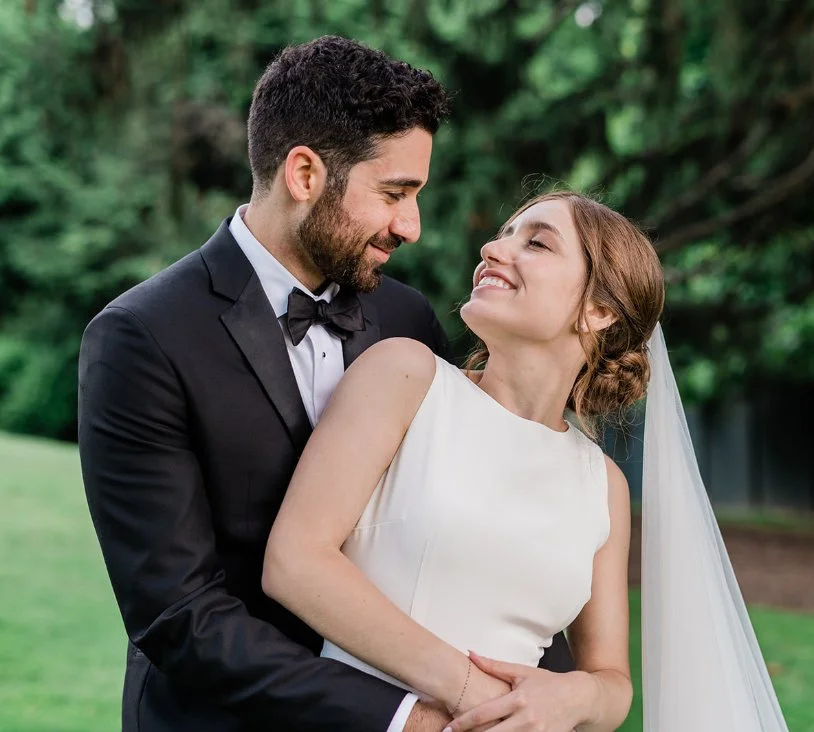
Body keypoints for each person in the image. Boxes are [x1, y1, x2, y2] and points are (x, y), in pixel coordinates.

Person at [78, 35, 570, 732]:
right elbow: (178, 615)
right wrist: (406, 718)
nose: (413, 226)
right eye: (395, 193)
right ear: (304, 174)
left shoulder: (406, 319)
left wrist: (563, 692)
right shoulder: (142, 337)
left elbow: (482, 522)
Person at [263, 191, 791, 731]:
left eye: (536, 242)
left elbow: (612, 681)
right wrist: (475, 694)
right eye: (503, 233)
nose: (492, 247)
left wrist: (574, 699)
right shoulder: (406, 377)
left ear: (599, 310)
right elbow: (294, 562)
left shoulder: (601, 484)